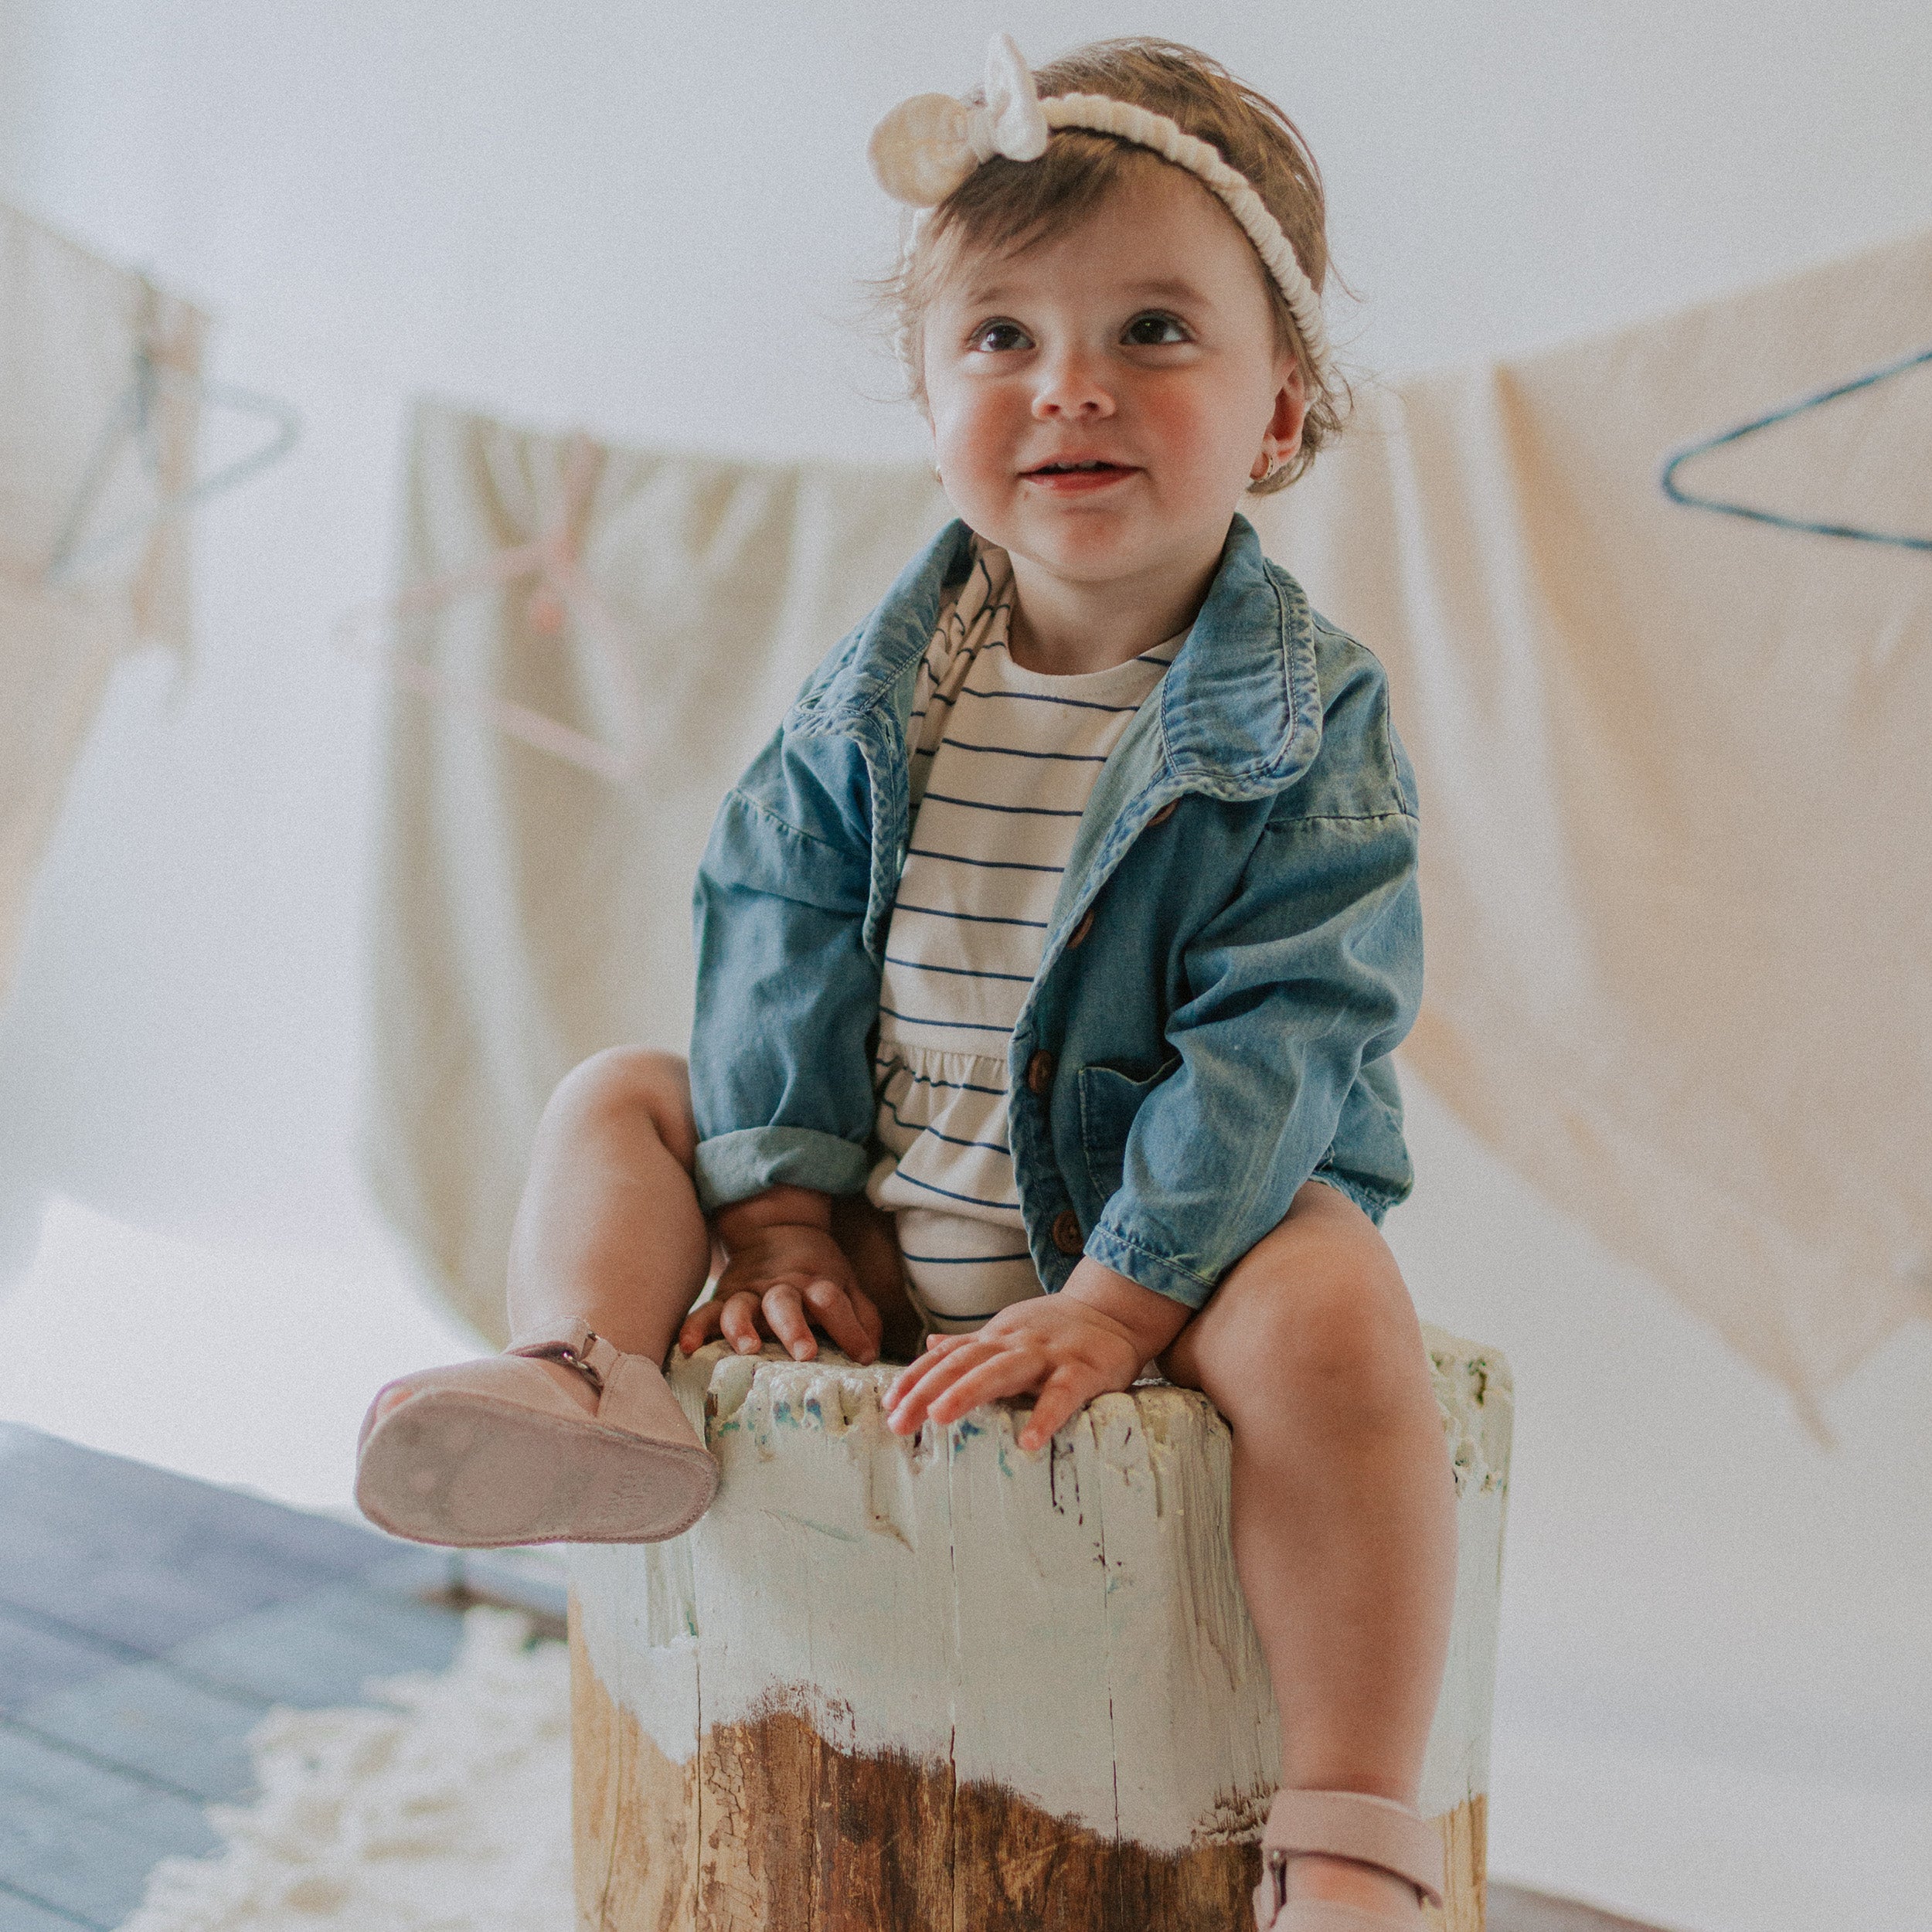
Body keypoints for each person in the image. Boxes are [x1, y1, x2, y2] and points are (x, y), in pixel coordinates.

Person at [355, 35, 1457, 1930]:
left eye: (1154, 331)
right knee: (617, 1090)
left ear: (1280, 409)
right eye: (1003, 338)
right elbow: (769, 922)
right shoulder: (877, 695)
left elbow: (1284, 1034)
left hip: (1170, 1250)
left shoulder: (1302, 720)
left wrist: (1120, 1296)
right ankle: (588, 1379)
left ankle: (1348, 1827)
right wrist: (782, 1210)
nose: (1072, 384)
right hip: (891, 1217)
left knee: (1341, 1317)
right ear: (931, 394)